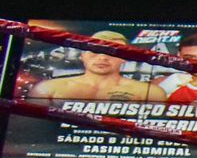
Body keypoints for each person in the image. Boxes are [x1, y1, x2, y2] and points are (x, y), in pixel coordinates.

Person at [25, 30, 167, 103]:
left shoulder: (149, 92)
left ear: (124, 58)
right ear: (82, 55)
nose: (102, 57)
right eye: (95, 51)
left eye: (112, 52)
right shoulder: (48, 89)